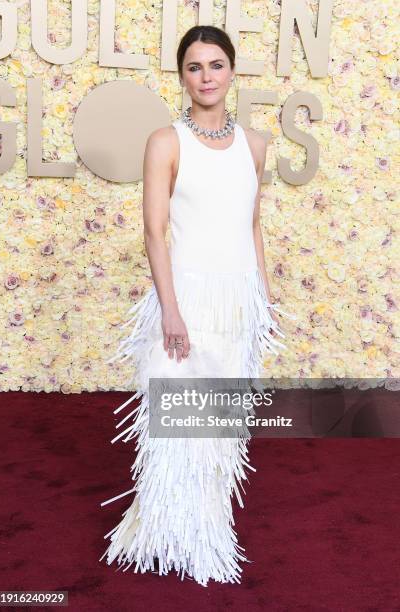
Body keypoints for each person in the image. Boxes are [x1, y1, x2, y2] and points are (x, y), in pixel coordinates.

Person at [99, 25, 296, 587]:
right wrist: (171, 310)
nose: (206, 76)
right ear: (182, 75)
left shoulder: (254, 145)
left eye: (216, 64)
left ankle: (204, 531)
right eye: (194, 66)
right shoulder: (166, 142)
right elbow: (155, 233)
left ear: (232, 71)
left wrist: (263, 299)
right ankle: (163, 534)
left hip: (237, 301)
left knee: (219, 429)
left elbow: (251, 224)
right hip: (185, 297)